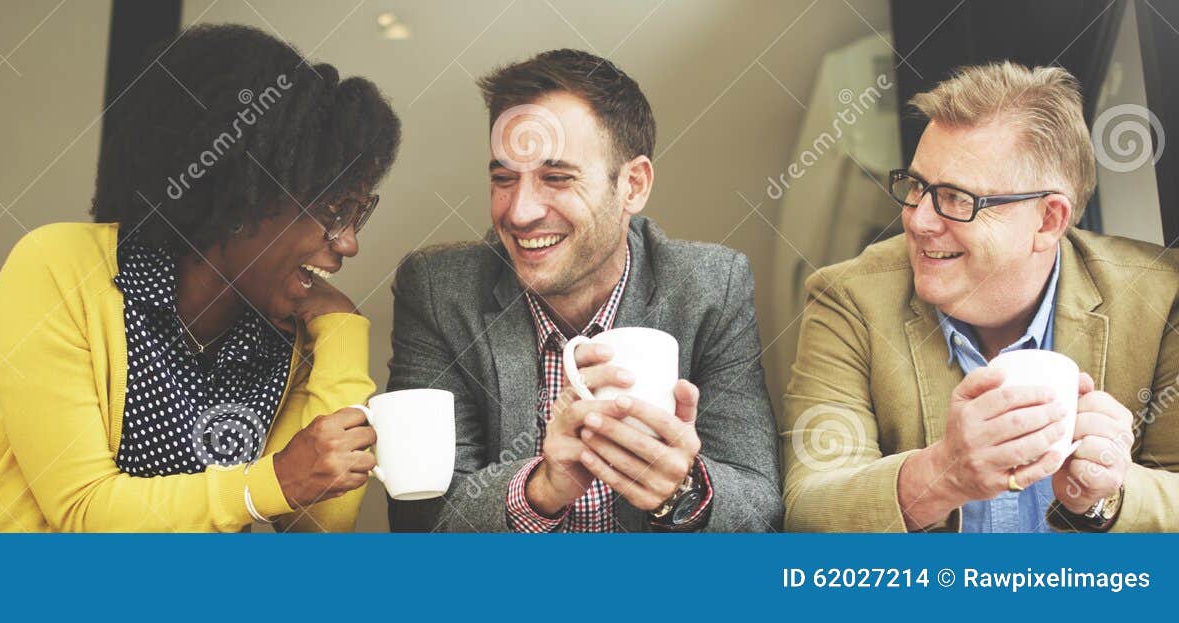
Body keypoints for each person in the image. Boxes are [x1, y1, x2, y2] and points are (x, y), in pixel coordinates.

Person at [0, 25, 400, 532]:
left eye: (357, 214)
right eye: (334, 210)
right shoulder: (61, 267)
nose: (348, 243)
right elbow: (82, 510)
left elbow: (317, 531)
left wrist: (342, 331)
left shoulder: (289, 334)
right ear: (242, 196)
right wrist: (272, 482)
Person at [387, 49, 781, 532]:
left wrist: (684, 490)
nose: (520, 212)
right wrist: (540, 491)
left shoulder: (711, 288)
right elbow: (420, 522)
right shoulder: (438, 292)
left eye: (556, 178)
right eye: (504, 178)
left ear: (633, 185)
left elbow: (761, 511)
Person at [783, 61, 1179, 532]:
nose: (918, 220)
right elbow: (808, 509)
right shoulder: (848, 299)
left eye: (955, 198)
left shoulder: (1158, 296)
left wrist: (1107, 496)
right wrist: (941, 475)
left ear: (1049, 220)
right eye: (917, 187)